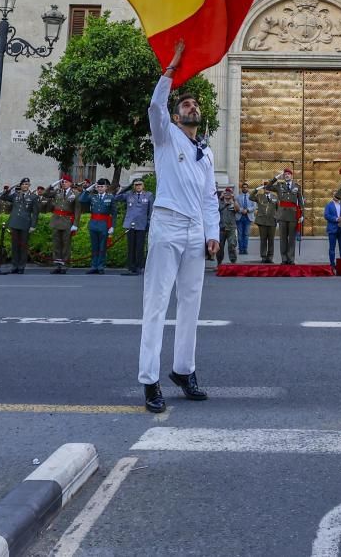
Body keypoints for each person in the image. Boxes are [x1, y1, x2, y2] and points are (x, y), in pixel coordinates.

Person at [137, 41, 220, 414]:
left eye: (195, 105)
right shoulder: (165, 136)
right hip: (168, 226)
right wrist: (170, 69)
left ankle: (183, 370)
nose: (192, 107)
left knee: (191, 304)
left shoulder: (205, 152)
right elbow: (155, 106)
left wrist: (212, 234)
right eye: (185, 104)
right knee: (156, 304)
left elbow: (209, 198)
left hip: (194, 232)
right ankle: (149, 379)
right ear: (175, 113)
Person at [1, 178, 40, 274]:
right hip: (14, 222)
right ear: (20, 185)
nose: (25, 186)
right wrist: (10, 188)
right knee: (14, 246)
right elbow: (3, 197)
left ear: (29, 185)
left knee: (23, 246)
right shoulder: (15, 195)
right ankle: (14, 265)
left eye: (27, 184)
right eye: (23, 184)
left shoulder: (33, 197)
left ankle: (21, 266)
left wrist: (33, 225)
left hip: (25, 223)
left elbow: (35, 213)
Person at [266, 169, 303, 265]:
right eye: (285, 174)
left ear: (292, 175)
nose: (286, 175)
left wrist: (302, 215)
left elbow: (301, 201)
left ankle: (291, 258)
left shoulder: (297, 186)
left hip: (293, 215)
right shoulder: (279, 186)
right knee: (283, 238)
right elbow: (268, 186)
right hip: (282, 215)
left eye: (288, 174)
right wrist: (276, 177)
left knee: (291, 238)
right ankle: (284, 258)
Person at [44, 176, 79, 274]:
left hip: (67, 222)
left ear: (70, 183)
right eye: (63, 182)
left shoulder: (75, 194)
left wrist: (75, 224)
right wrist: (53, 184)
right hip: (56, 221)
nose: (64, 183)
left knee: (66, 245)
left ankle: (65, 265)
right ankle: (57, 265)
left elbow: (77, 210)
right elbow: (45, 193)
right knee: (56, 245)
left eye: (66, 182)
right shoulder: (57, 192)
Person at [119, 177, 153, 275]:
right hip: (130, 224)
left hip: (142, 224)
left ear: (143, 185)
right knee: (131, 246)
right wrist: (127, 187)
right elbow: (116, 197)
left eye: (140, 184)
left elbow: (150, 211)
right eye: (136, 185)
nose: (138, 186)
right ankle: (131, 266)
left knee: (140, 246)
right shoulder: (129, 194)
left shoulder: (149, 195)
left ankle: (139, 266)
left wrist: (149, 223)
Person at [83, 181, 114, 273]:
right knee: (94, 246)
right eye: (98, 186)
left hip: (104, 224)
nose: (100, 188)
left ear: (106, 187)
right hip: (93, 224)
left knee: (102, 247)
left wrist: (112, 226)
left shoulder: (110, 197)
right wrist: (89, 188)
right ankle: (94, 266)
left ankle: (100, 266)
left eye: (102, 186)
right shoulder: (93, 196)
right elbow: (82, 199)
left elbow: (114, 213)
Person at [252, 181, 278, 264]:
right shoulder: (259, 196)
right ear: (263, 189)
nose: (266, 189)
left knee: (271, 240)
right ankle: (263, 256)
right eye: (265, 187)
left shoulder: (275, 197)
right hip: (262, 221)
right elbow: (251, 197)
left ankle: (270, 257)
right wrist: (256, 189)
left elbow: (278, 208)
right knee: (263, 240)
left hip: (271, 221)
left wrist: (277, 217)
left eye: (268, 187)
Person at [217, 187, 240, 264]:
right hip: (221, 228)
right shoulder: (219, 202)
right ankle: (219, 263)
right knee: (220, 247)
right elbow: (217, 209)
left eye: (229, 193)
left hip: (231, 228)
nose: (227, 195)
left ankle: (233, 262)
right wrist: (221, 199)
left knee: (232, 245)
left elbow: (237, 209)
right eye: (226, 193)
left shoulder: (233, 202)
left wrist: (234, 200)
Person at [323, 189, 341, 268]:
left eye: (337, 195)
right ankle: (332, 264)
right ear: (332, 196)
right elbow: (326, 215)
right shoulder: (329, 205)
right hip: (332, 229)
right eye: (335, 195)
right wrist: (336, 219)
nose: (336, 196)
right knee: (332, 248)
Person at [236, 182, 253, 255]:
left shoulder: (252, 197)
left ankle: (245, 249)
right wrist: (241, 210)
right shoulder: (237, 197)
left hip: (248, 217)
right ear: (241, 188)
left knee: (246, 234)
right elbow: (235, 206)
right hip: (239, 217)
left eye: (246, 187)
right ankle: (240, 249)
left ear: (248, 188)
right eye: (243, 187)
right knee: (240, 234)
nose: (245, 188)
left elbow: (254, 207)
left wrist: (248, 210)